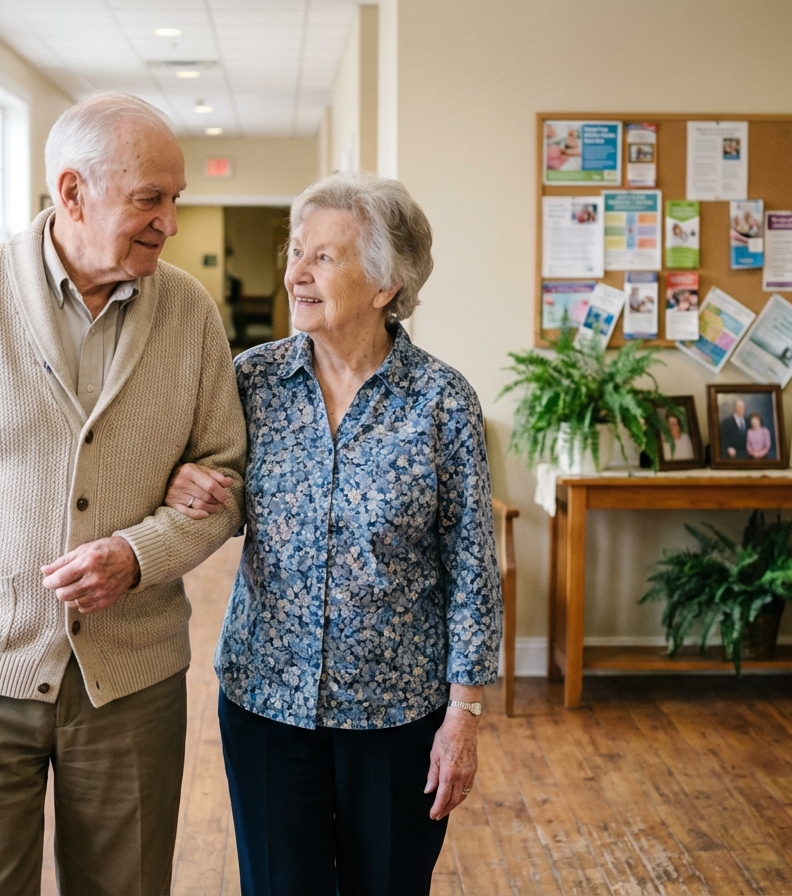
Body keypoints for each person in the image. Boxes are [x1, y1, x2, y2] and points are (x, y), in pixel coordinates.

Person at [0, 93, 247, 895]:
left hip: (132, 677)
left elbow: (227, 480)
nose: (170, 223)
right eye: (150, 199)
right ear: (72, 193)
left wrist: (138, 554)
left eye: (176, 199)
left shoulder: (190, 313)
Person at [167, 173, 502, 896]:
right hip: (266, 702)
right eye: (296, 253)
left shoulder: (442, 401)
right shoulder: (252, 381)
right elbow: (212, 487)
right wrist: (184, 483)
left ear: (386, 283)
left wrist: (464, 716)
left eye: (323, 257)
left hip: (397, 715)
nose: (297, 273)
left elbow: (473, 569)